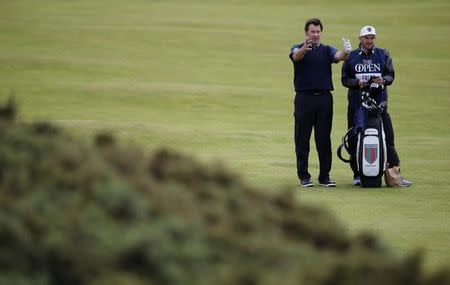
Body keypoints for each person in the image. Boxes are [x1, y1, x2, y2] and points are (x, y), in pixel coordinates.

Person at [341, 25, 412, 187]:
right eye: (366, 38)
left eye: (372, 37)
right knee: (354, 140)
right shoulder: (351, 57)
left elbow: (390, 75)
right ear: (360, 39)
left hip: (379, 107)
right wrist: (358, 82)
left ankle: (394, 174)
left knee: (388, 138)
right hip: (357, 107)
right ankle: (358, 175)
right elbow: (345, 80)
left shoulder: (383, 54)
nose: (369, 40)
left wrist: (383, 80)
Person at [289, 18, 351, 187]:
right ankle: (304, 176)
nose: (315, 35)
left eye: (318, 32)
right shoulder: (297, 47)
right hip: (304, 99)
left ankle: (324, 176)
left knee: (323, 139)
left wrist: (346, 52)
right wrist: (304, 48)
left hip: (324, 99)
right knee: (302, 138)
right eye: (312, 32)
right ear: (306, 33)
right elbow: (296, 57)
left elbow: (338, 56)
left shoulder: (326, 49)